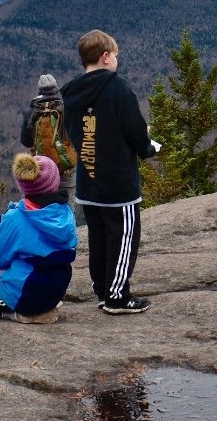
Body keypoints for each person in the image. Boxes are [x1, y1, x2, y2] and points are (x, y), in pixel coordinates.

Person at [62, 29, 157, 314]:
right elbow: (135, 131)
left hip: (88, 181)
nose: (116, 60)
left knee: (100, 238)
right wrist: (148, 147)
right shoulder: (118, 89)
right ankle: (117, 296)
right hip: (118, 183)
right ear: (105, 56)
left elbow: (75, 132)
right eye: (115, 55)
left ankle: (103, 290)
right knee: (124, 236)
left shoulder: (70, 92)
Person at [0, 153, 78, 324]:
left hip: (25, 294)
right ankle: (39, 309)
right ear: (55, 182)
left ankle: (16, 314)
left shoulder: (16, 218)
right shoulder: (65, 213)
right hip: (56, 290)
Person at [20, 73, 81, 223]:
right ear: (56, 88)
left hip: (41, 168)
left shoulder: (31, 111)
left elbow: (26, 141)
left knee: (40, 206)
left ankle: (44, 238)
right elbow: (76, 135)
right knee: (68, 205)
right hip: (65, 166)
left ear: (39, 90)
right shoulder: (65, 108)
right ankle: (66, 235)